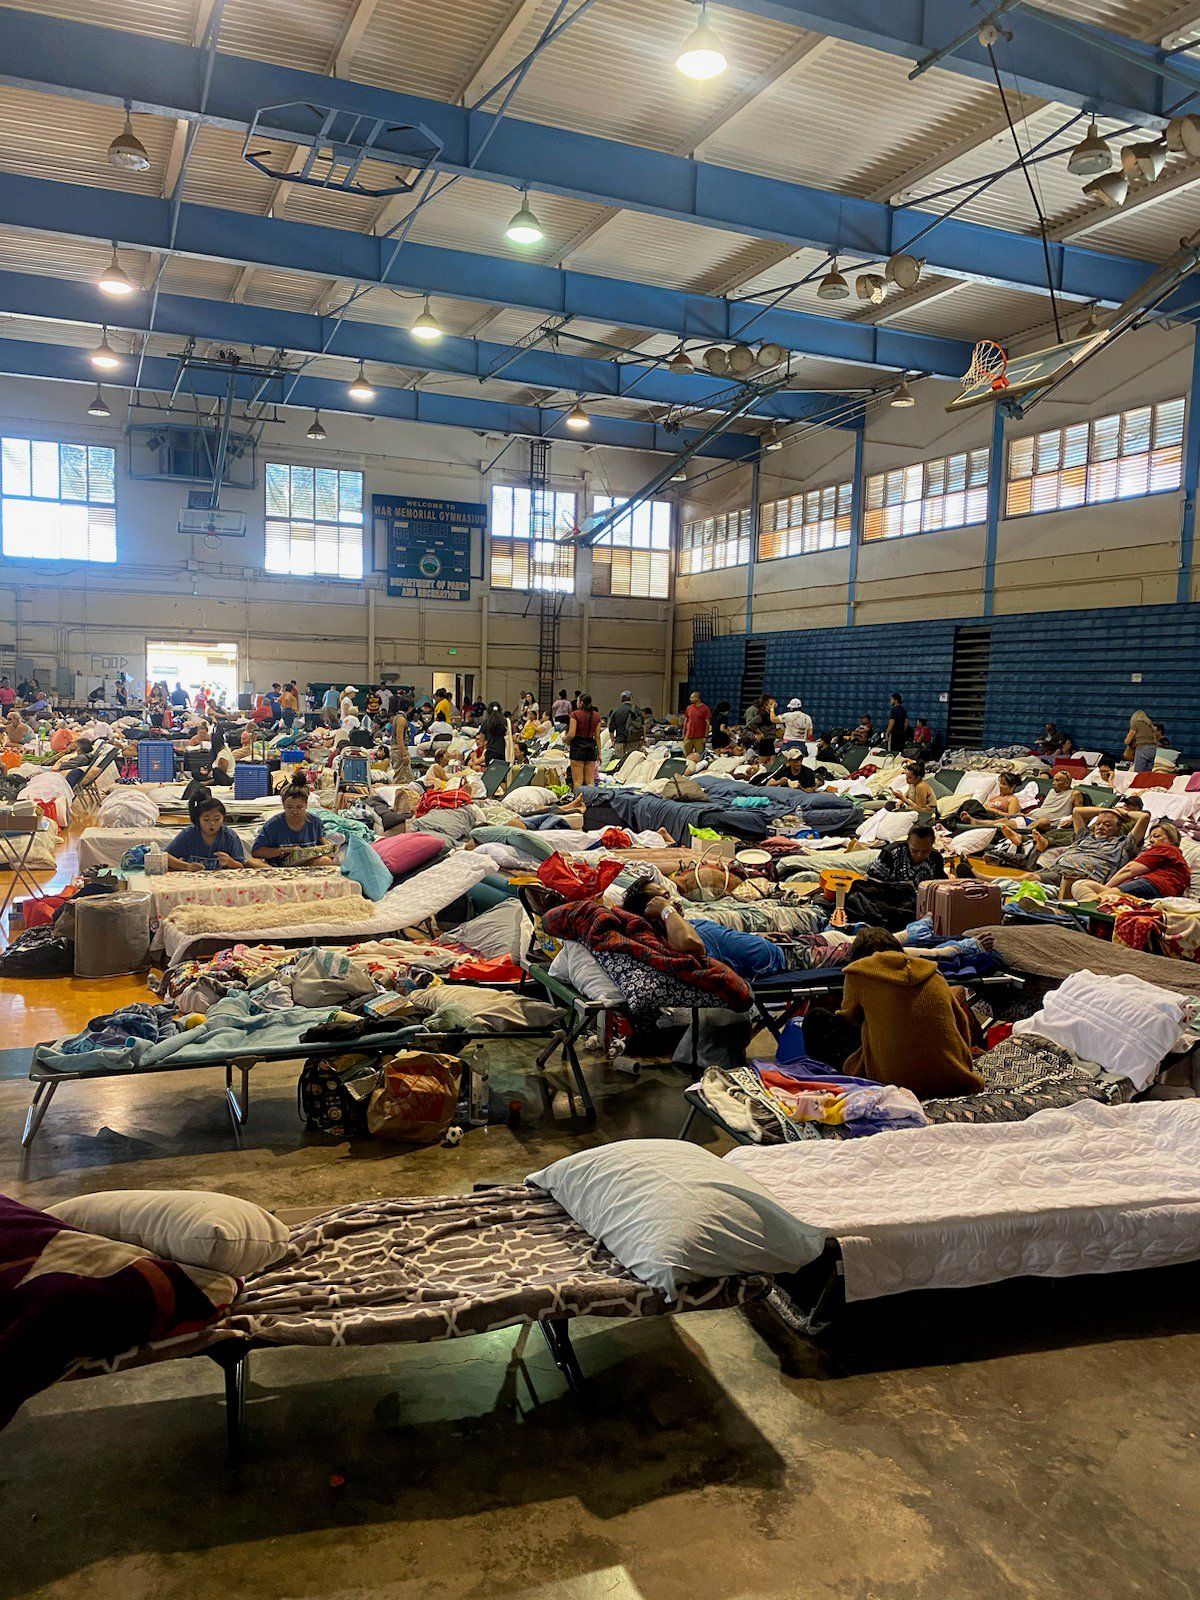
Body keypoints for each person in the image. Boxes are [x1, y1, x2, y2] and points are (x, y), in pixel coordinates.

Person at [836, 928, 984, 1099]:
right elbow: (961, 1022)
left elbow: (847, 1018)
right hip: (954, 1078)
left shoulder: (858, 972)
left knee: (818, 1019)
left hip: (894, 1082)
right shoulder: (933, 972)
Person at [622, 879, 791, 980]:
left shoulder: (686, 924)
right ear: (652, 909)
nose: (675, 901)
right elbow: (691, 944)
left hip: (779, 948)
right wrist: (666, 910)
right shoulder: (676, 937)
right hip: (785, 962)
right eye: (665, 897)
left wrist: (753, 936)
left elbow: (723, 940)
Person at [1038, 803, 1151, 898]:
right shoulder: (1085, 836)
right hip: (1056, 869)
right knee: (1028, 881)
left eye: (1107, 825)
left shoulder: (1123, 845)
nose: (1101, 827)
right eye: (1098, 824)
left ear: (1118, 829)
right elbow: (1077, 811)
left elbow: (1144, 818)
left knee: (1030, 879)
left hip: (1080, 876)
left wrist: (1123, 813)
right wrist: (1107, 810)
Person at [1071, 819, 1191, 904]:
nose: (1152, 840)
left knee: (1104, 898)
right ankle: (1090, 913)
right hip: (1154, 887)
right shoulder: (1171, 856)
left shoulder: (1167, 849)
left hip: (1155, 885)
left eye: (1157, 836)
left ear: (1171, 839)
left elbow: (1129, 870)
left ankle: (1090, 912)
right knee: (1081, 885)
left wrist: (1106, 888)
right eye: (1151, 837)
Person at [251, 784, 335, 865]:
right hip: (276, 866)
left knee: (325, 861)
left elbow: (325, 847)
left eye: (299, 807)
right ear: (283, 806)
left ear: (306, 805)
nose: (294, 811)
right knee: (251, 862)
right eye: (289, 807)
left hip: (306, 865)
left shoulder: (315, 822)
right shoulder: (272, 824)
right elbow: (256, 852)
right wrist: (286, 850)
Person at [166, 796, 253, 872]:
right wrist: (187, 866)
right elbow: (166, 857)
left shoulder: (230, 836)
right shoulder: (188, 834)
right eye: (206, 819)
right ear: (198, 819)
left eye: (217, 819)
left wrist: (230, 862)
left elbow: (241, 866)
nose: (212, 824)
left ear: (223, 818)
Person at [869, 824, 945, 889]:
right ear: (908, 841)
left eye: (925, 851)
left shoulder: (936, 858)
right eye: (915, 850)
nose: (919, 855)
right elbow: (871, 882)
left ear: (932, 845)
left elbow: (941, 885)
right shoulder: (891, 853)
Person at [567, 693, 602, 792]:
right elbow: (597, 736)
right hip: (591, 746)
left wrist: (565, 738)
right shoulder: (597, 716)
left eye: (578, 701)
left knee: (578, 781)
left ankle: (577, 803)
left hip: (578, 746)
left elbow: (571, 734)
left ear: (581, 702)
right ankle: (590, 803)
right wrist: (599, 753)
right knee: (590, 781)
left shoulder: (575, 714)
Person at [608, 690, 643, 763]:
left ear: (621, 699)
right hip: (633, 742)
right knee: (632, 765)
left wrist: (613, 741)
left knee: (619, 765)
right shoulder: (637, 710)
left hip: (619, 742)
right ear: (631, 698)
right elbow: (642, 727)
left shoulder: (616, 711)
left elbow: (611, 729)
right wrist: (643, 740)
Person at [1124, 708, 1159, 774]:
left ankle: (1137, 784)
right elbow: (1155, 738)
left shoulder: (1136, 724)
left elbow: (1127, 741)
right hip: (1153, 749)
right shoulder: (1149, 725)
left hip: (1142, 748)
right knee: (1147, 774)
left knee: (1138, 773)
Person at [681, 691, 711, 758]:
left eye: (692, 697)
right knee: (686, 755)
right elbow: (686, 721)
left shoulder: (705, 709)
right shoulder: (689, 708)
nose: (690, 699)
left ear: (697, 698)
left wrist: (705, 736)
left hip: (699, 737)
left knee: (699, 756)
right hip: (688, 736)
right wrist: (683, 733)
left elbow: (707, 723)